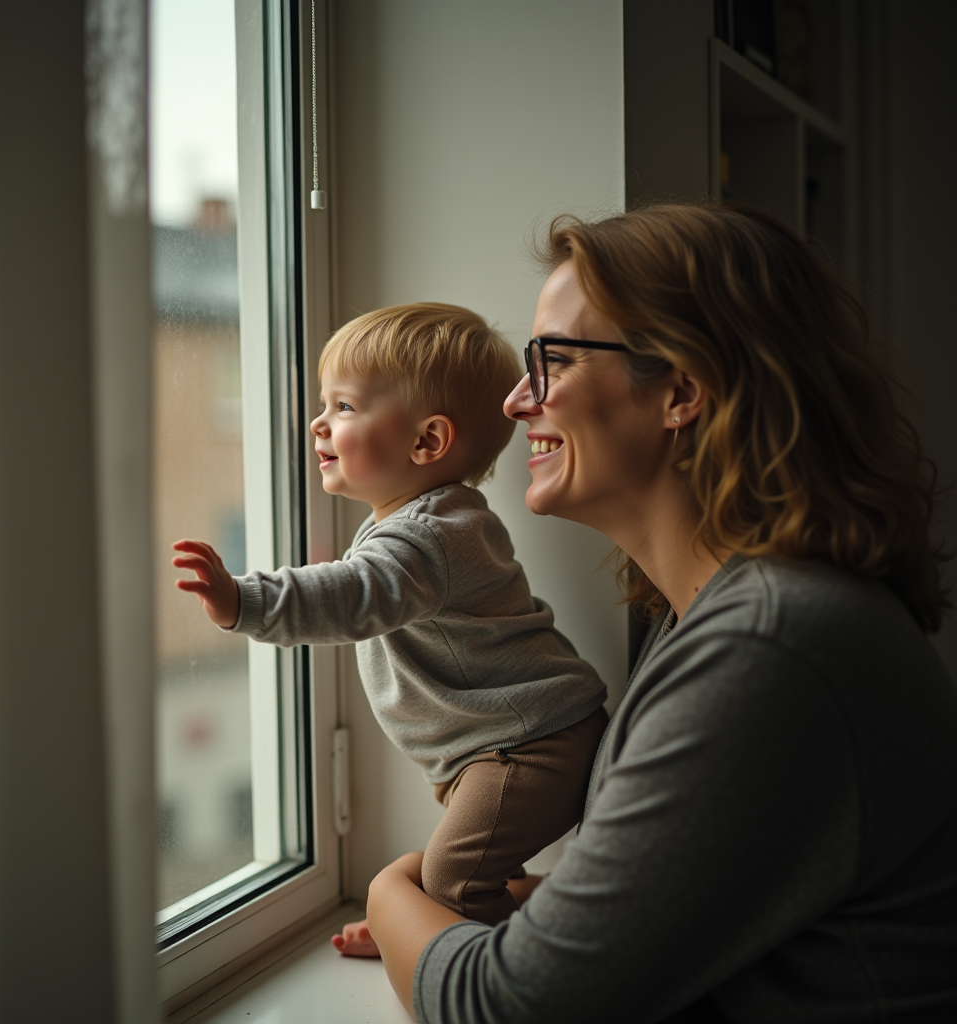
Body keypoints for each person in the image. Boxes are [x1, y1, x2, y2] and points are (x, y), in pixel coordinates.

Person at [365, 203, 957, 1023]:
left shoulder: (768, 647)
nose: (514, 402)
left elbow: (505, 1009)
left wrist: (394, 892)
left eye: (553, 360)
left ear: (680, 389)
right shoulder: (716, 621)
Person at [171, 302, 608, 954]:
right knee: (471, 872)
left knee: (456, 880)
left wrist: (246, 599)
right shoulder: (416, 524)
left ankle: (479, 956)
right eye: (326, 404)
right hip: (501, 746)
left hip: (532, 746)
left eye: (344, 407)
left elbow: (352, 595)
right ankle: (449, 918)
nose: (319, 422)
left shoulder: (433, 535)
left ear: (427, 442)